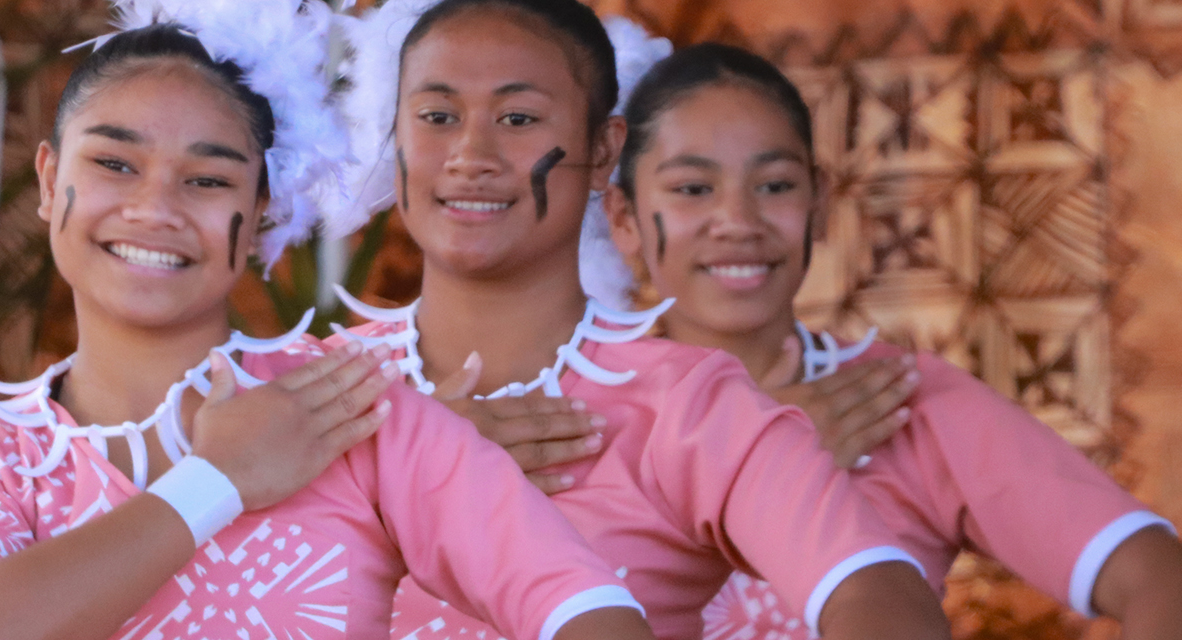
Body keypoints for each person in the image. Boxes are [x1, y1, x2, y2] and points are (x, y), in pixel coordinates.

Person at [0, 3, 658, 639]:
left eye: (207, 179)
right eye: (114, 164)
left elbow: (587, 610)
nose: (154, 208)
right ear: (51, 176)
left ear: (261, 209)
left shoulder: (356, 414)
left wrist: (433, 450)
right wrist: (217, 480)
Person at [326, 1, 951, 639]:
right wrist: (393, 466)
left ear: (603, 151)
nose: (470, 155)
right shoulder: (305, 397)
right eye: (437, 117)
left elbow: (882, 597)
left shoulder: (689, 408)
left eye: (518, 118)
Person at [594, 42, 1182, 640]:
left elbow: (1172, 590)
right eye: (693, 189)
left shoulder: (901, 403)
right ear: (623, 218)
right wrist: (759, 461)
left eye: (775, 185)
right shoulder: (574, 411)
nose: (738, 221)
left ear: (820, 201)